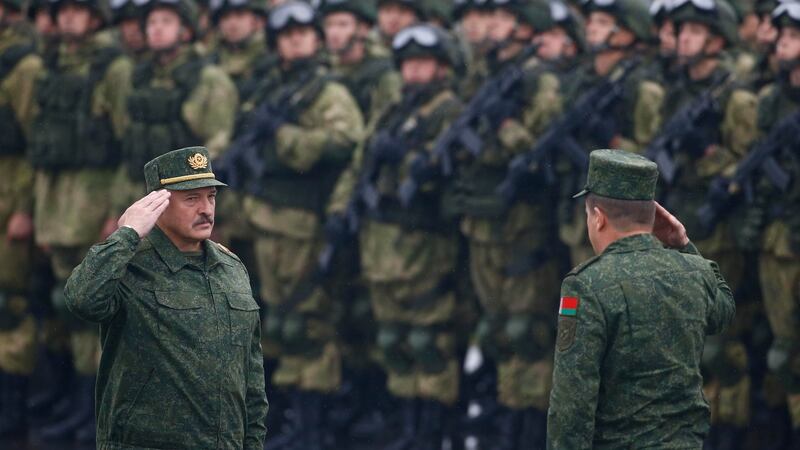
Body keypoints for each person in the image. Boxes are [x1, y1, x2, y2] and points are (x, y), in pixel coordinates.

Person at [63, 146, 268, 450]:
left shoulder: (231, 268)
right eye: (191, 199)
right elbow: (81, 299)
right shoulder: (129, 264)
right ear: (157, 204)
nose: (206, 209)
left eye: (211, 196)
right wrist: (128, 233)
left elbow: (251, 376)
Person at [327, 22, 463, 449]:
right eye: (408, 66)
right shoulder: (392, 112)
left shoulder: (451, 113)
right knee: (393, 340)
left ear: (442, 68)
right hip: (381, 245)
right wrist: (340, 209)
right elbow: (359, 162)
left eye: (423, 64)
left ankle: (432, 431)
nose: (414, 74)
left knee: (428, 341)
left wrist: (405, 161)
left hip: (424, 245)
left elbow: (442, 173)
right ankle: (407, 426)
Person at [547, 149, 736, 449]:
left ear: (598, 218)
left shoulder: (586, 285)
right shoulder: (693, 272)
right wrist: (684, 245)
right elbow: (724, 309)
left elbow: (572, 402)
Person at [28, 0, 132, 441]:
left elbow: (129, 145)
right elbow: (40, 141)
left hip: (95, 198)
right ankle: (76, 400)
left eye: (77, 10)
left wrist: (119, 210)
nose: (68, 18)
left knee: (98, 308)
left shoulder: (114, 67)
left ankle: (100, 411)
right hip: (57, 200)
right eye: (62, 10)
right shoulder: (50, 65)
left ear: (94, 17)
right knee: (67, 307)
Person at [0, 0, 42, 436]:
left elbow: (37, 143)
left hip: (11, 189)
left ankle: (13, 415)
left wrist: (27, 208)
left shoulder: (24, 65)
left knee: (10, 302)